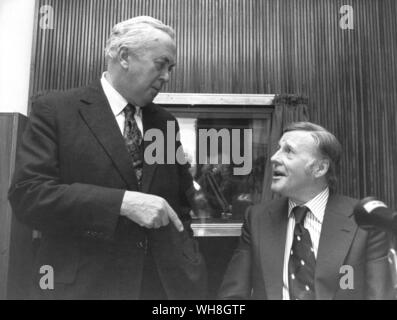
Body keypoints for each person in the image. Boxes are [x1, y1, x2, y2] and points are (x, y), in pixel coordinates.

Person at [8, 16, 207, 300]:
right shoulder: (56, 110)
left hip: (159, 289)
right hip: (82, 289)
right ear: (124, 56)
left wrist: (190, 265)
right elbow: (29, 196)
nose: (166, 77)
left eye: (170, 68)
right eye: (160, 65)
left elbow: (181, 204)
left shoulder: (165, 125)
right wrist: (122, 203)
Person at [219, 121, 394, 299]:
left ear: (319, 168)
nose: (273, 158)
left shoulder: (365, 222)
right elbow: (232, 297)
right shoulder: (256, 218)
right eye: (278, 149)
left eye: (288, 151)